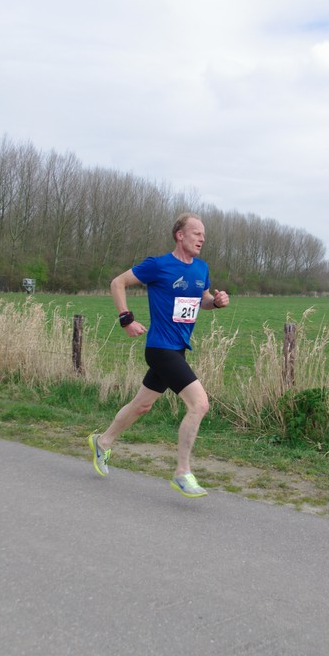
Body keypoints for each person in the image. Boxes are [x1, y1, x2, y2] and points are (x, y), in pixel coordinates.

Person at [88, 213, 229, 497]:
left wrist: (216, 302)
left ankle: (102, 442)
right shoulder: (158, 265)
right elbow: (117, 283)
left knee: (142, 405)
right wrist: (126, 319)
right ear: (180, 235)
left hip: (178, 349)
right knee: (199, 404)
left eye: (204, 234)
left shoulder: (201, 268)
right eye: (196, 233)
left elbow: (202, 300)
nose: (202, 238)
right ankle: (182, 472)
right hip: (160, 348)